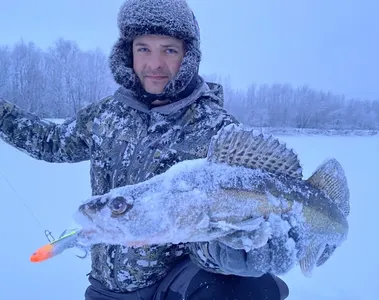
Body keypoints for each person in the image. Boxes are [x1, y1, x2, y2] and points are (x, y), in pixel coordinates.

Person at [0, 0, 291, 299]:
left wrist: (230, 254)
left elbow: (241, 216)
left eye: (169, 50)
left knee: (252, 289)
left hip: (178, 284)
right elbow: (52, 142)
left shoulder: (219, 131)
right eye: (143, 49)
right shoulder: (107, 114)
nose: (154, 64)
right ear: (128, 53)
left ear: (188, 55)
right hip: (107, 286)